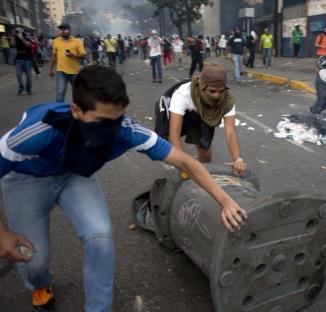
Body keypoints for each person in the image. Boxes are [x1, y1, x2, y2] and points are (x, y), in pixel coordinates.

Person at [0, 65, 247, 312]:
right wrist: (2, 233)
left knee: (100, 236)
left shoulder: (127, 131)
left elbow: (186, 162)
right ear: (76, 111)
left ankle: (99, 308)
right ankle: (41, 284)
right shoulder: (38, 131)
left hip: (75, 175)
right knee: (35, 262)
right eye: (100, 122)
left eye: (116, 120)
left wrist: (225, 201)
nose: (110, 131)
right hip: (26, 180)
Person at [160, 63, 247, 175]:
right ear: (202, 87)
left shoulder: (227, 99)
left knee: (206, 153)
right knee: (165, 147)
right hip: (174, 106)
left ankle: (196, 168)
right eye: (212, 91)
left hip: (200, 113)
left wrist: (237, 159)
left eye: (220, 91)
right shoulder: (182, 94)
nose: (216, 95)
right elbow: (174, 133)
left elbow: (231, 132)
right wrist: (182, 164)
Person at [49, 23, 86, 102]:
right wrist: (51, 69)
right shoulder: (56, 41)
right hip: (61, 71)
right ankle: (58, 110)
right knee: (60, 92)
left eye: (65, 29)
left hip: (74, 71)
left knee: (77, 93)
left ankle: (77, 110)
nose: (63, 31)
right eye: (61, 29)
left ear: (69, 30)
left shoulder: (77, 41)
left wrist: (73, 55)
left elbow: (83, 55)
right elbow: (54, 55)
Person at [9, 27, 32, 95]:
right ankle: (21, 88)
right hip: (18, 60)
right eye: (17, 31)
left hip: (27, 60)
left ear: (22, 31)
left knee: (28, 77)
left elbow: (28, 44)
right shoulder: (16, 38)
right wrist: (13, 35)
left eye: (19, 31)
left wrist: (21, 37)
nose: (18, 32)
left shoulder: (26, 37)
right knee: (18, 76)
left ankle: (28, 89)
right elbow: (12, 44)